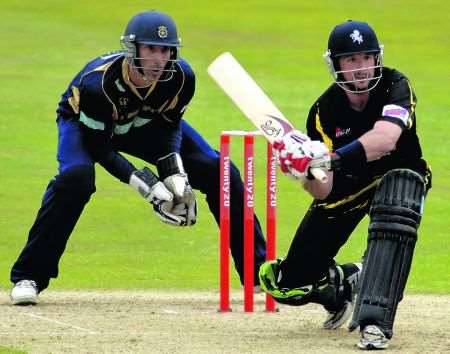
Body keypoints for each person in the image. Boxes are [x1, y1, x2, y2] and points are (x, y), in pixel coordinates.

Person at [10, 10, 266, 305]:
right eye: (150, 49)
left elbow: (170, 129)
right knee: (75, 180)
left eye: (165, 50)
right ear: (132, 49)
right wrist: (149, 187)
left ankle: (257, 271)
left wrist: (176, 177)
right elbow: (100, 147)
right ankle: (29, 275)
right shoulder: (98, 85)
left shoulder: (181, 78)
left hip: (144, 122)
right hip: (85, 124)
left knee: (220, 171)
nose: (159, 59)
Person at [258, 20, 431, 350]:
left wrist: (331, 159)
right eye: (351, 60)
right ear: (335, 65)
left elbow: (386, 140)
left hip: (400, 175)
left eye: (367, 57)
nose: (362, 67)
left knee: (394, 209)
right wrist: (305, 171)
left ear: (377, 58)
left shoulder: (397, 85)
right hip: (350, 185)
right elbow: (324, 190)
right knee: (292, 284)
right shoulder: (323, 111)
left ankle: (374, 324)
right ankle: (344, 285)